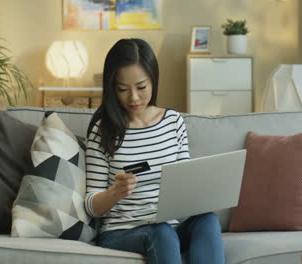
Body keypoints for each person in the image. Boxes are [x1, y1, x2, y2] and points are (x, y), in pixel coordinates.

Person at [85, 38, 225, 264]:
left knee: (207, 220)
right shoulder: (103, 130)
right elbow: (91, 205)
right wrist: (114, 193)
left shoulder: (173, 122)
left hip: (169, 228)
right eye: (123, 89)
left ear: (154, 80)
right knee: (161, 232)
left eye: (141, 87)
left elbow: (186, 185)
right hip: (121, 232)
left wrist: (204, 191)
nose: (134, 97)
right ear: (112, 87)